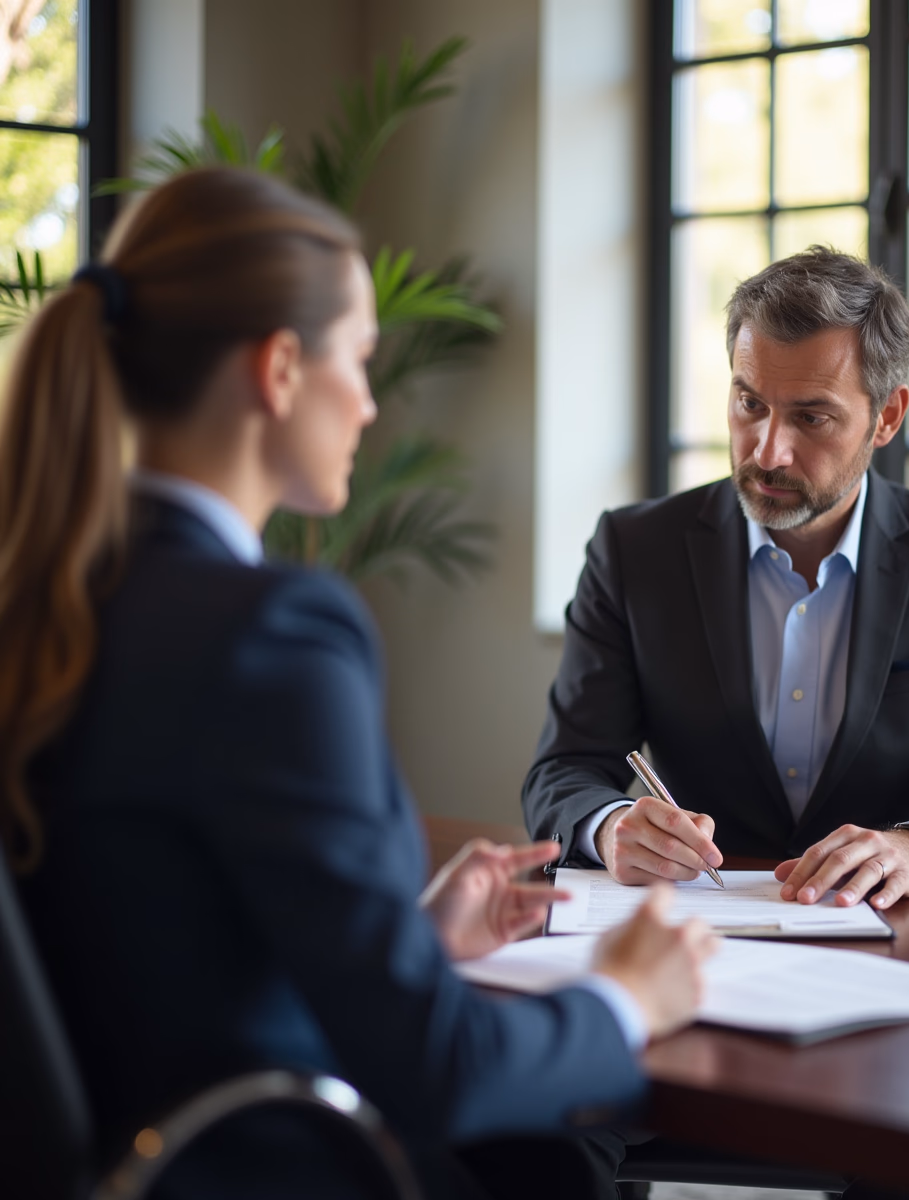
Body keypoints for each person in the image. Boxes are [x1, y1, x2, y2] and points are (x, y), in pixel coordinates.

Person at [0, 167, 715, 1200]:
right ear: (280, 369)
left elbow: (145, 942)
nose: (372, 405)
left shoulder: (47, 599)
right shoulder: (271, 634)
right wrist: (626, 998)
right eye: (361, 359)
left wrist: (409, 942)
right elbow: (438, 1071)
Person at [523, 247, 909, 912]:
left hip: (895, 935)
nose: (768, 451)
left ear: (887, 417)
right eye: (749, 403)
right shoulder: (634, 550)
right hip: (693, 928)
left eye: (811, 417)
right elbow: (563, 772)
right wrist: (609, 828)